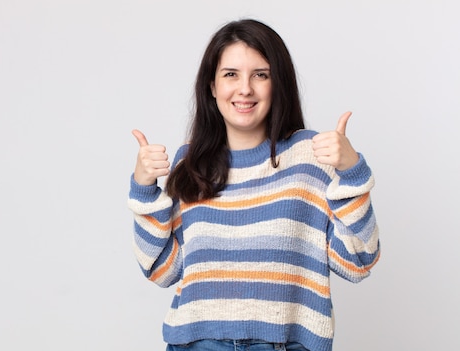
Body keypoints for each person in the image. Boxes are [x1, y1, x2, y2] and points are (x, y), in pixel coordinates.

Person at [127, 18, 381, 351]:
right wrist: (144, 190)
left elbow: (358, 262)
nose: (244, 88)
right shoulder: (191, 162)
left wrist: (352, 172)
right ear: (212, 86)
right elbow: (161, 270)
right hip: (196, 343)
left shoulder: (310, 157)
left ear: (279, 84)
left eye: (260, 75)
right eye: (230, 74)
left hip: (284, 344)